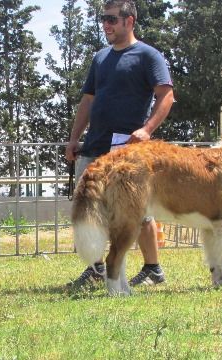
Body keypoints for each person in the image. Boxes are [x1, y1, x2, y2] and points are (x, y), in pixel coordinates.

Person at [65, 0, 175, 288]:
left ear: (130, 21)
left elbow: (166, 96)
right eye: (103, 19)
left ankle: (153, 268)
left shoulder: (148, 55)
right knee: (90, 209)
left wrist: (147, 129)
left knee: (138, 212)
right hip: (94, 146)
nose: (106, 24)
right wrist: (75, 138)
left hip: (127, 151)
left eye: (111, 19)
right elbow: (87, 100)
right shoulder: (100, 58)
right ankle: (96, 269)